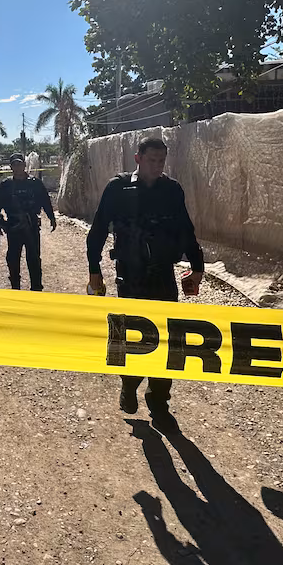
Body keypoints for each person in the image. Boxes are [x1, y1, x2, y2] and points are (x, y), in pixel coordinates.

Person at [86, 136, 204, 431]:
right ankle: (128, 384)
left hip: (163, 273)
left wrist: (198, 267)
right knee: (129, 336)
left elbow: (186, 230)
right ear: (137, 158)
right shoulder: (119, 188)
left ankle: (159, 401)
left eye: (161, 160)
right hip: (130, 274)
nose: (156, 166)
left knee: (167, 338)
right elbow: (98, 230)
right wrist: (94, 271)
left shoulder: (172, 189)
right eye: (151, 160)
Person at [0, 153, 56, 290]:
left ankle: (36, 287)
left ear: (24, 165)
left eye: (20, 164)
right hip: (13, 226)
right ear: (11, 167)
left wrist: (51, 217)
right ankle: (15, 286)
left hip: (31, 225)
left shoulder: (35, 183)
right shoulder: (6, 185)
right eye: (14, 164)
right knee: (13, 258)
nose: (18, 167)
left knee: (34, 257)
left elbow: (45, 201)